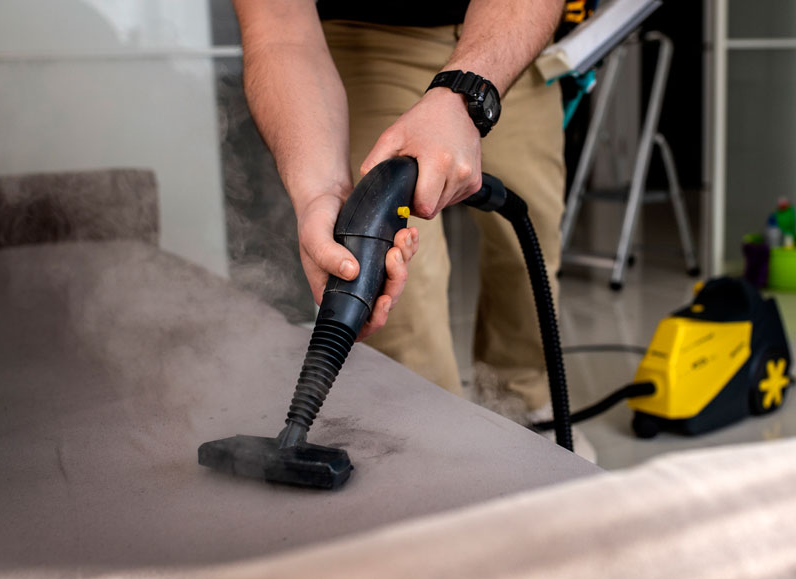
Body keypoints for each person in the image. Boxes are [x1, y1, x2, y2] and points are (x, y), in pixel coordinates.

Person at [232, 0, 590, 454]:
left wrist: (463, 92)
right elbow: (281, 28)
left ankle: (524, 408)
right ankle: (436, 452)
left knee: (528, 245)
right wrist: (320, 193)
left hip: (511, 27)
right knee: (402, 292)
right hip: (367, 38)